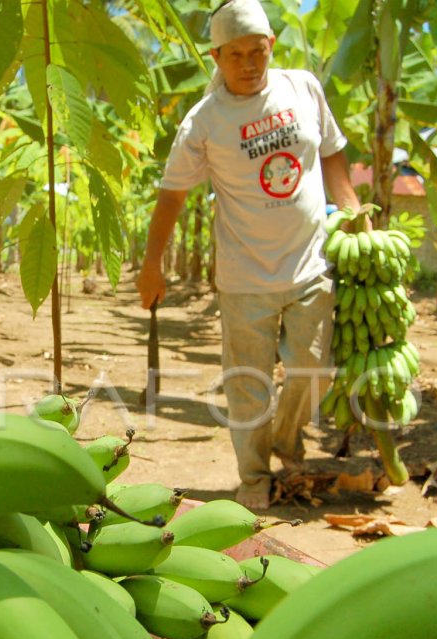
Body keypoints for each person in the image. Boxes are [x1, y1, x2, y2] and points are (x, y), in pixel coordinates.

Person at [136, 0, 364, 511]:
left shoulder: (303, 87)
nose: (248, 63)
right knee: (248, 388)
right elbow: (173, 195)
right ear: (216, 56)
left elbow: (331, 150)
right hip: (243, 275)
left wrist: (351, 208)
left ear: (271, 47)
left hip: (310, 262)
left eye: (256, 51)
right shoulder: (204, 122)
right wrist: (152, 264)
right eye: (235, 54)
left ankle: (287, 439)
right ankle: (254, 476)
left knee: (313, 369)